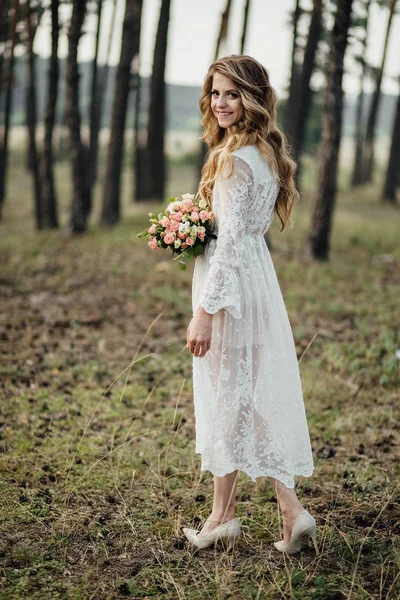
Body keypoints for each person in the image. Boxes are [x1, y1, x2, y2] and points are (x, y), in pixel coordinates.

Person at [183, 55, 318, 556]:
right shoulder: (260, 153)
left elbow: (233, 244)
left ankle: (232, 516)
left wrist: (204, 312)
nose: (220, 103)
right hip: (255, 283)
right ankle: (283, 511)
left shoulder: (236, 160)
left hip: (233, 289)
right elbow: (240, 238)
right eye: (215, 93)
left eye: (232, 94)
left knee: (229, 396)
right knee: (243, 396)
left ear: (253, 99)